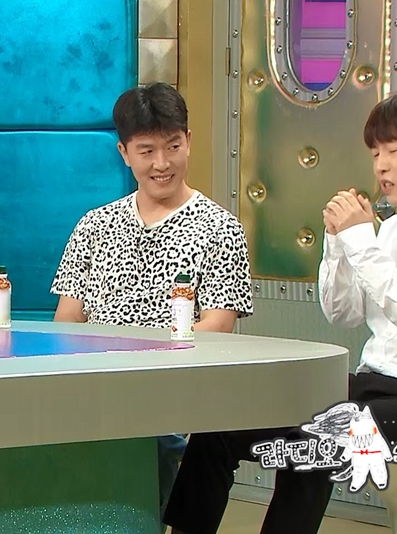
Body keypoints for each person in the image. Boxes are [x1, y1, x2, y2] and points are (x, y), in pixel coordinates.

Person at [162, 89, 397, 534]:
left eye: (393, 151)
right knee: (228, 418)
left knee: (318, 437)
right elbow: (342, 313)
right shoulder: (395, 228)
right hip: (370, 388)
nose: (380, 166)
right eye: (375, 153)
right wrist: (336, 244)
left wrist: (360, 239)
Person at [50, 82, 255, 518]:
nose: (162, 164)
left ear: (188, 142)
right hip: (98, 388)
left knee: (149, 443)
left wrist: (142, 366)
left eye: (173, 147)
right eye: (146, 151)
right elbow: (67, 320)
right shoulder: (94, 225)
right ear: (124, 153)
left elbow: (217, 327)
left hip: (174, 394)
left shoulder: (221, 228)